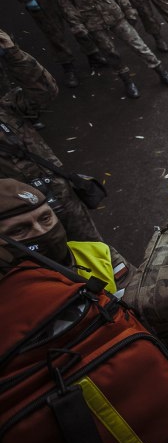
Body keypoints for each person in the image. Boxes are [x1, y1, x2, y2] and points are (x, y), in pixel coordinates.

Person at [0, 32, 104, 243]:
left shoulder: (6, 110)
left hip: (61, 200)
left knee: (99, 256)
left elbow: (44, 91)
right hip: (20, 228)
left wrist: (12, 52)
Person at [0, 178, 131, 292]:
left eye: (45, 218)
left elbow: (138, 295)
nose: (42, 231)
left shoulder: (98, 252)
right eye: (19, 230)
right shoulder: (8, 297)